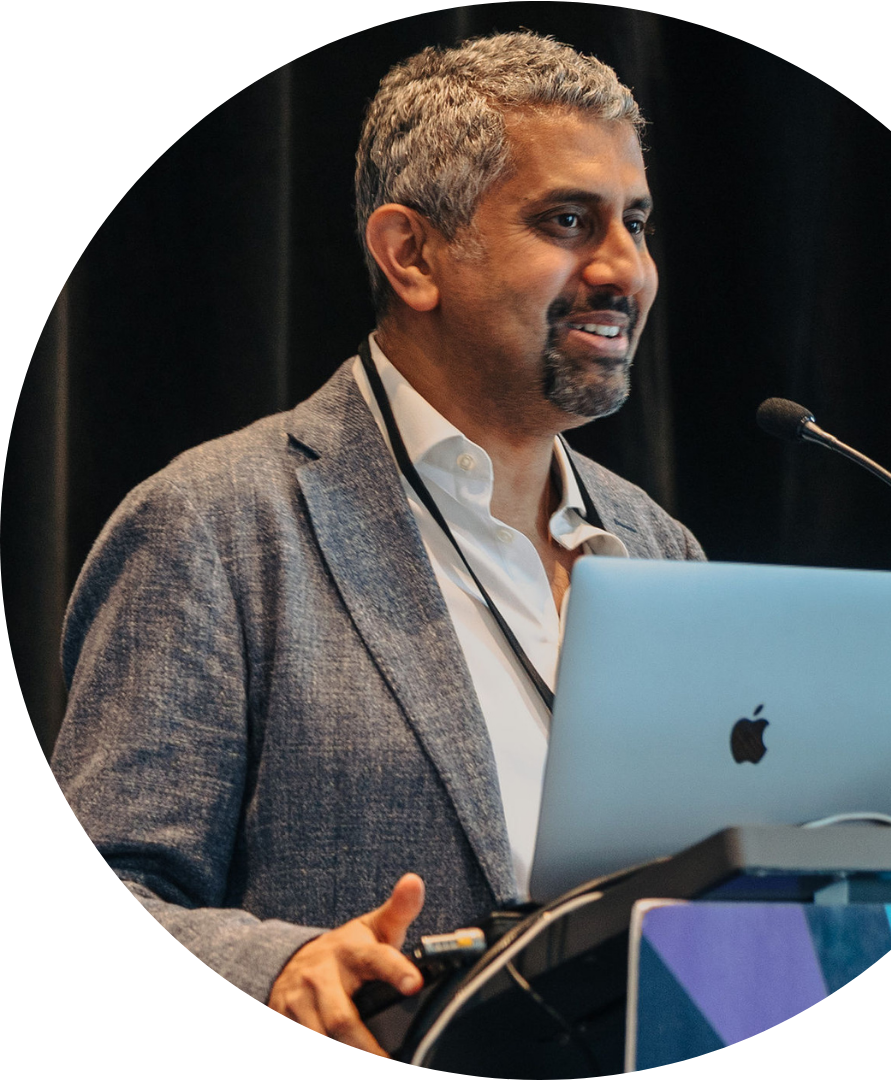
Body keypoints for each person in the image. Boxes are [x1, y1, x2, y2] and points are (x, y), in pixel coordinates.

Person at [50, 30, 705, 1056]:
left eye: (637, 222)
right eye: (568, 221)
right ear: (411, 254)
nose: (626, 268)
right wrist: (277, 969)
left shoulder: (662, 550)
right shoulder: (214, 526)